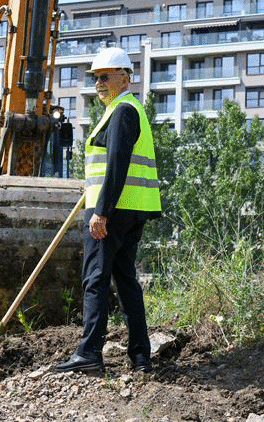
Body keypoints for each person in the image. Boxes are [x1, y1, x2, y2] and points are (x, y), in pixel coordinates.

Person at [55, 47, 161, 373]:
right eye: (96, 78)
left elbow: (116, 164)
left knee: (95, 279)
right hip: (130, 209)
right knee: (125, 280)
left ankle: (89, 354)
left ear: (125, 77)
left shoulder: (122, 111)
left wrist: (101, 210)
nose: (99, 83)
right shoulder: (124, 109)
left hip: (112, 212)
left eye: (105, 76)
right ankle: (141, 357)